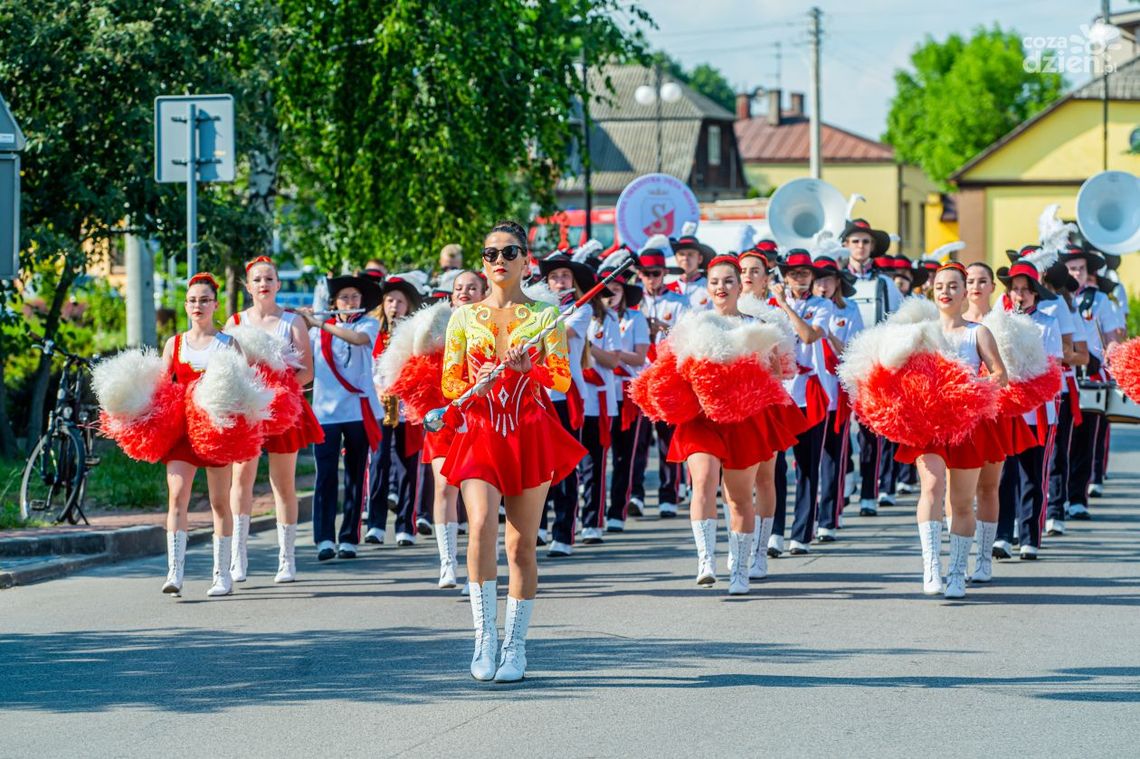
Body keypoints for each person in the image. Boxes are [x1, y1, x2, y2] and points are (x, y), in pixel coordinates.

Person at [441, 219, 586, 682]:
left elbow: (562, 378)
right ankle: (484, 637)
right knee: (481, 524)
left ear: (527, 260)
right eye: (490, 253)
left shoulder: (545, 316)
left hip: (528, 431)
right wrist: (474, 381)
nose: (498, 261)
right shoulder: (463, 316)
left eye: (508, 252)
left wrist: (530, 370)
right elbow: (449, 383)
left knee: (521, 544)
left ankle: (516, 646)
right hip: (480, 431)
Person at [663, 256, 805, 594]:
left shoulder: (757, 327)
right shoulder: (694, 325)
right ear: (707, 286)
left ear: (740, 287)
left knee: (740, 498)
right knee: (703, 481)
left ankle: (741, 569)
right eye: (714, 282)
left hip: (744, 418)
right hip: (703, 419)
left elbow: (779, 375)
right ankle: (706, 561)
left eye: (728, 281)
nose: (721, 287)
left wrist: (765, 366)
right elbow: (676, 371)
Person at [894, 263, 1009, 598]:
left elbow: (1000, 375)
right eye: (940, 285)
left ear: (963, 294)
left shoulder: (978, 333)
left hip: (968, 423)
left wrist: (967, 385)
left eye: (954, 286)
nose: (945, 291)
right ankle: (931, 568)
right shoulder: (920, 333)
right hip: (930, 423)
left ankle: (957, 572)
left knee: (961, 502)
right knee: (930, 485)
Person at [227, 257, 322, 584]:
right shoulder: (235, 321)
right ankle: (238, 558)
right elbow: (227, 368)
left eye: (269, 278)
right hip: (248, 409)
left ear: (278, 284)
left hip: (282, 409)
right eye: (257, 279)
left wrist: (279, 392)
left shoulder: (293, 321)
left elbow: (307, 370)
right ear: (248, 286)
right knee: (241, 480)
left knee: (283, 483)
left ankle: (287, 559)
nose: (263, 284)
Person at [159, 273, 238, 597]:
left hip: (216, 429)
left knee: (220, 502)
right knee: (177, 496)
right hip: (182, 432)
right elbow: (161, 388)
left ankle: (222, 574)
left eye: (204, 300)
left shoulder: (228, 343)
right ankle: (174, 572)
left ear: (215, 304)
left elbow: (240, 388)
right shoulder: (174, 344)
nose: (197, 305)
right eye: (192, 300)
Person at [297, 276, 383, 561]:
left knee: (356, 476)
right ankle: (324, 538)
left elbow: (357, 340)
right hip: (325, 413)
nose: (350, 301)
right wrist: (300, 320)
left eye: (354, 296)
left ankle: (348, 538)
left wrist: (321, 323)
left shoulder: (368, 324)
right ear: (334, 302)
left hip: (358, 412)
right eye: (344, 297)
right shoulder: (314, 333)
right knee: (325, 477)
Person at [993, 261, 1062, 561]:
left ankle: (1030, 536)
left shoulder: (1048, 323)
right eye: (1015, 289)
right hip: (1007, 409)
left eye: (1025, 290)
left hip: (1037, 409)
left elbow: (1054, 366)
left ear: (1035, 294)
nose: (1020, 295)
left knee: (1033, 472)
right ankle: (1002, 535)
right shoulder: (998, 322)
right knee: (1004, 473)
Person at [770, 249, 834, 556]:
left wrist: (785, 305)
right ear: (784, 276)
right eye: (794, 273)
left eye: (805, 273)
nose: (799, 278)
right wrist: (778, 305)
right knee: (775, 466)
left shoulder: (823, 305)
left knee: (808, 467)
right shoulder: (769, 307)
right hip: (780, 393)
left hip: (809, 392)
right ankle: (774, 531)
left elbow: (808, 337)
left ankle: (802, 534)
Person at [841, 218, 903, 516]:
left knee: (871, 433)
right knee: (838, 433)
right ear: (846, 245)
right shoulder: (835, 279)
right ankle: (843, 485)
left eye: (866, 242)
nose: (861, 247)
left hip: (873, 367)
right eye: (856, 241)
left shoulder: (885, 283)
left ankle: (869, 492)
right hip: (839, 365)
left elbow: (899, 322)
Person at [537, 250, 595, 556]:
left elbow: (563, 332)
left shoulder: (580, 310)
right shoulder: (535, 308)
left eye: (565, 277)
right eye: (555, 277)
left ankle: (564, 533)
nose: (560, 282)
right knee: (537, 466)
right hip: (538, 394)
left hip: (566, 395)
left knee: (566, 466)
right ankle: (539, 526)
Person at [631, 235, 690, 518]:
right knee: (638, 442)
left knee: (668, 440)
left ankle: (669, 494)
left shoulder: (679, 302)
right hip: (639, 377)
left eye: (655, 273)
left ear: (665, 273)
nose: (651, 279)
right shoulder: (633, 302)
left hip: (667, 379)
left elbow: (685, 336)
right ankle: (637, 495)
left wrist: (661, 329)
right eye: (645, 274)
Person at [1062, 245, 1120, 520]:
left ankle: (1077, 499)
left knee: (1085, 439)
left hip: (1090, 376)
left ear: (1087, 273)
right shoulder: (1054, 299)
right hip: (1062, 377)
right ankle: (1055, 496)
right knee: (1061, 442)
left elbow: (1112, 339)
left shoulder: (1100, 300)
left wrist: (1114, 357)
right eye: (1071, 268)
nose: (1076, 273)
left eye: (1080, 269)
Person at [366, 274, 424, 546]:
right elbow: (367, 369)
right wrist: (377, 390)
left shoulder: (414, 335)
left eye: (399, 301)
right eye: (389, 300)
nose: (394, 306)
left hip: (407, 405)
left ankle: (405, 525)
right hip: (382, 403)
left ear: (408, 305)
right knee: (379, 462)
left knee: (407, 463)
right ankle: (376, 523)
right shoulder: (373, 333)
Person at [811, 257, 863, 542]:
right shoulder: (803, 307)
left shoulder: (850, 310)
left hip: (835, 391)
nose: (822, 285)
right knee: (807, 459)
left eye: (827, 279)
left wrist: (827, 332)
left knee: (834, 457)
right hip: (808, 392)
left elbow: (852, 351)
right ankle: (809, 514)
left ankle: (829, 517)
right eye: (817, 280)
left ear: (837, 282)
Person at [1039, 260, 1090, 538]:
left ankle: (1055, 510)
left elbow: (1079, 353)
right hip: (1021, 389)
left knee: (1057, 452)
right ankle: (1023, 514)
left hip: (1057, 389)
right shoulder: (1007, 304)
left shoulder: (1059, 305)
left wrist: (1054, 354)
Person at [601, 254, 651, 532]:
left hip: (628, 392)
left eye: (616, 290)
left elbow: (640, 356)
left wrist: (613, 355)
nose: (611, 296)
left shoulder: (635, 319)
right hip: (599, 392)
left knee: (625, 454)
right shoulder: (592, 319)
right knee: (595, 456)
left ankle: (617, 510)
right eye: (606, 291)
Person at [666, 231, 715, 311]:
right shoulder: (668, 289)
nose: (685, 258)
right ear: (676, 258)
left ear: (700, 259)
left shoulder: (711, 287)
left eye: (690, 254)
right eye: (681, 254)